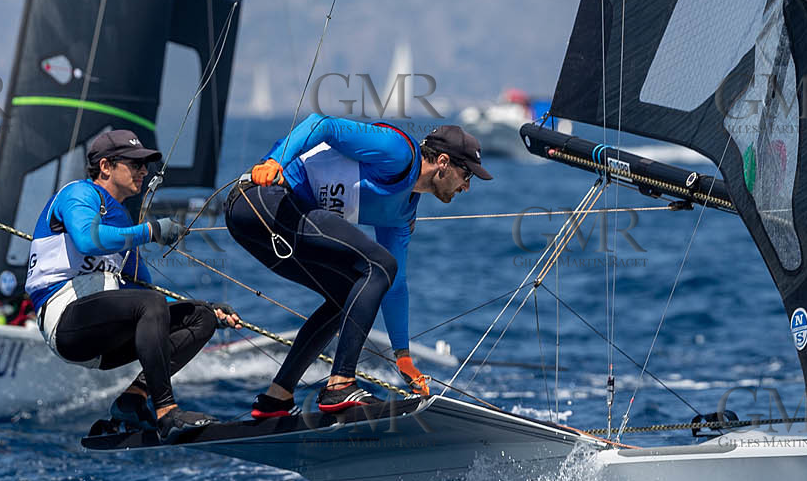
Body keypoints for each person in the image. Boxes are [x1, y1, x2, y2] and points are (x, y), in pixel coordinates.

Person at [226, 119, 489, 417]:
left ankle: (278, 397)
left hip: (273, 225)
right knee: (377, 264)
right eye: (466, 174)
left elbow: (395, 284)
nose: (466, 186)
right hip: (258, 200)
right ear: (443, 162)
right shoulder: (398, 152)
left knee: (348, 291)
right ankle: (340, 385)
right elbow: (322, 124)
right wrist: (274, 160)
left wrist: (402, 355)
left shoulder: (402, 212)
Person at [25, 129, 241, 439]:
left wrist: (207, 310)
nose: (144, 171)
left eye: (145, 165)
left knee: (198, 317)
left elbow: (145, 296)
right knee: (150, 305)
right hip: (65, 323)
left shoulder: (123, 221)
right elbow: (87, 240)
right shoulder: (79, 195)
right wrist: (150, 230)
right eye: (135, 164)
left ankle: (132, 401)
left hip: (104, 336)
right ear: (105, 167)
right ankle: (167, 413)